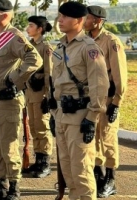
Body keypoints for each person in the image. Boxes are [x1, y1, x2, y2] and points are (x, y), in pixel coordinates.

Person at [0, 0, 43, 199]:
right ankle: (2, 186)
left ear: (5, 16)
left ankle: (14, 188)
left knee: (9, 146)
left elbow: (35, 60)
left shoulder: (14, 37)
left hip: (8, 101)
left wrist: (14, 79)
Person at [52, 2, 109, 199]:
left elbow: (99, 85)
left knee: (82, 172)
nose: (60, 20)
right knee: (68, 172)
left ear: (78, 20)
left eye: (65, 17)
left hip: (80, 117)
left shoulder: (89, 48)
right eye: (60, 16)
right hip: (62, 114)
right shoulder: (60, 46)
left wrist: (92, 117)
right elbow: (57, 82)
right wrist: (54, 112)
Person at [84, 6, 128, 198]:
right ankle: (97, 174)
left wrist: (116, 102)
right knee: (92, 138)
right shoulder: (85, 40)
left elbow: (120, 74)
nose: (84, 20)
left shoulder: (111, 41)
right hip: (90, 98)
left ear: (98, 21)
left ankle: (110, 179)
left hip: (108, 98)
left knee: (107, 138)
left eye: (88, 17)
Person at [24, 15, 53, 178]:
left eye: (31, 25)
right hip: (30, 93)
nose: (28, 28)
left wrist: (48, 96)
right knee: (34, 128)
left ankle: (45, 163)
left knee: (42, 127)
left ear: (40, 29)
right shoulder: (30, 46)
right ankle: (38, 160)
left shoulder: (45, 47)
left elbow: (50, 72)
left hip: (41, 93)